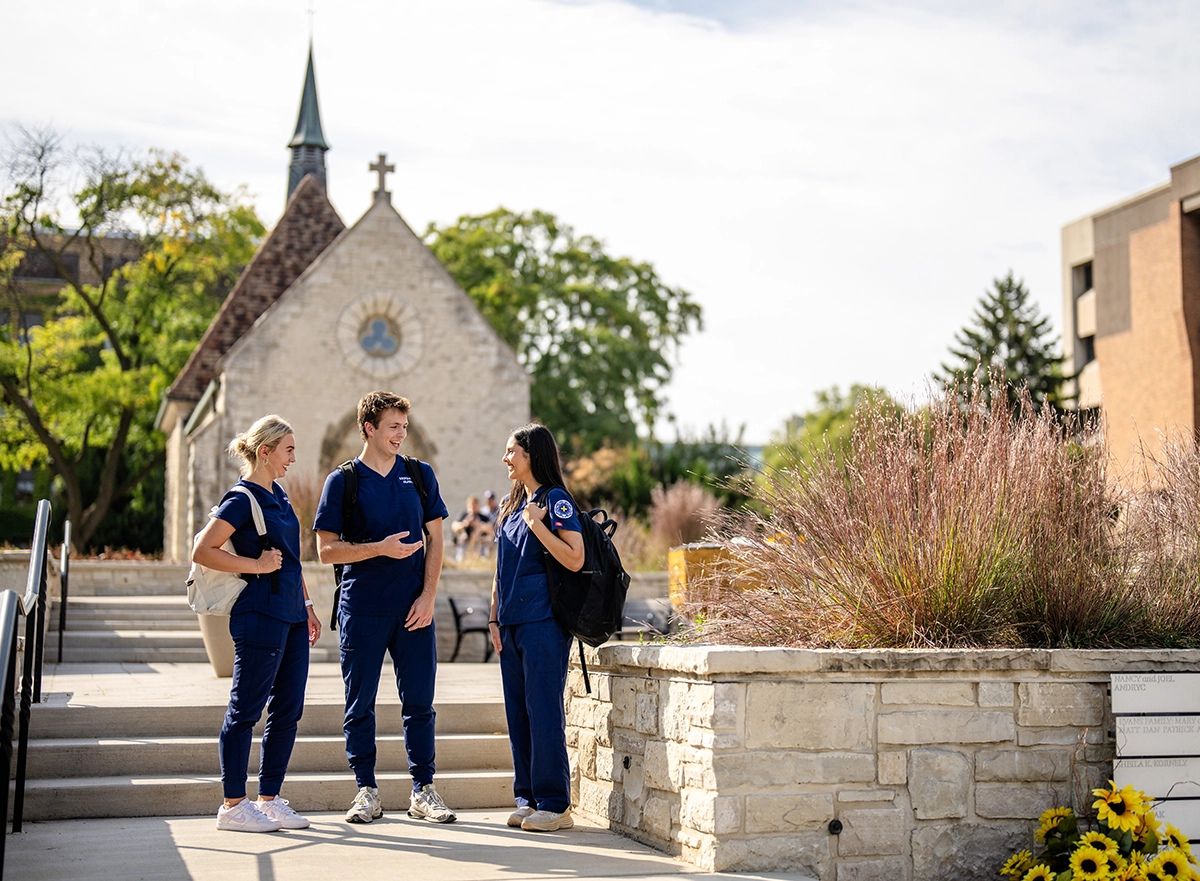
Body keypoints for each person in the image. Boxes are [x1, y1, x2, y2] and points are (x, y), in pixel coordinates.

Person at [313, 391, 456, 825]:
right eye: (393, 427)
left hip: (414, 609)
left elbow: (437, 540)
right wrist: (380, 549)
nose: (401, 434)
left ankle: (423, 790)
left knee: (420, 703)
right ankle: (366, 791)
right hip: (363, 608)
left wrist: (429, 596)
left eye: (404, 427)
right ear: (368, 429)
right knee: (360, 703)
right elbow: (325, 551)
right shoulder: (343, 481)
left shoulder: (420, 473)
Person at [192, 415, 321, 833]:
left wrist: (308, 604)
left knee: (288, 709)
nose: (293, 458)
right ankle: (232, 805)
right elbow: (202, 549)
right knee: (246, 708)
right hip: (260, 613)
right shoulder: (241, 498)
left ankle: (269, 800)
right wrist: (255, 565)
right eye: (288, 450)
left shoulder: (279, 496)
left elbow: (292, 559)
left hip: (293, 614)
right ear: (264, 452)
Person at [488, 422, 585, 832]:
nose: (506, 458)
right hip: (510, 623)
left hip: (543, 623)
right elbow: (501, 569)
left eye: (512, 451)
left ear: (532, 455)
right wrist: (493, 616)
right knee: (519, 714)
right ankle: (528, 798)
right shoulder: (512, 506)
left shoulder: (554, 501)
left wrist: (537, 525)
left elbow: (575, 558)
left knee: (543, 711)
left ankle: (555, 804)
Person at [451, 495, 494, 560]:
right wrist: (465, 524)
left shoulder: (483, 517)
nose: (473, 509)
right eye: (471, 506)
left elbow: (492, 531)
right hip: (465, 544)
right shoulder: (464, 515)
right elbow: (454, 526)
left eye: (475, 506)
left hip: (479, 545)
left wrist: (480, 525)